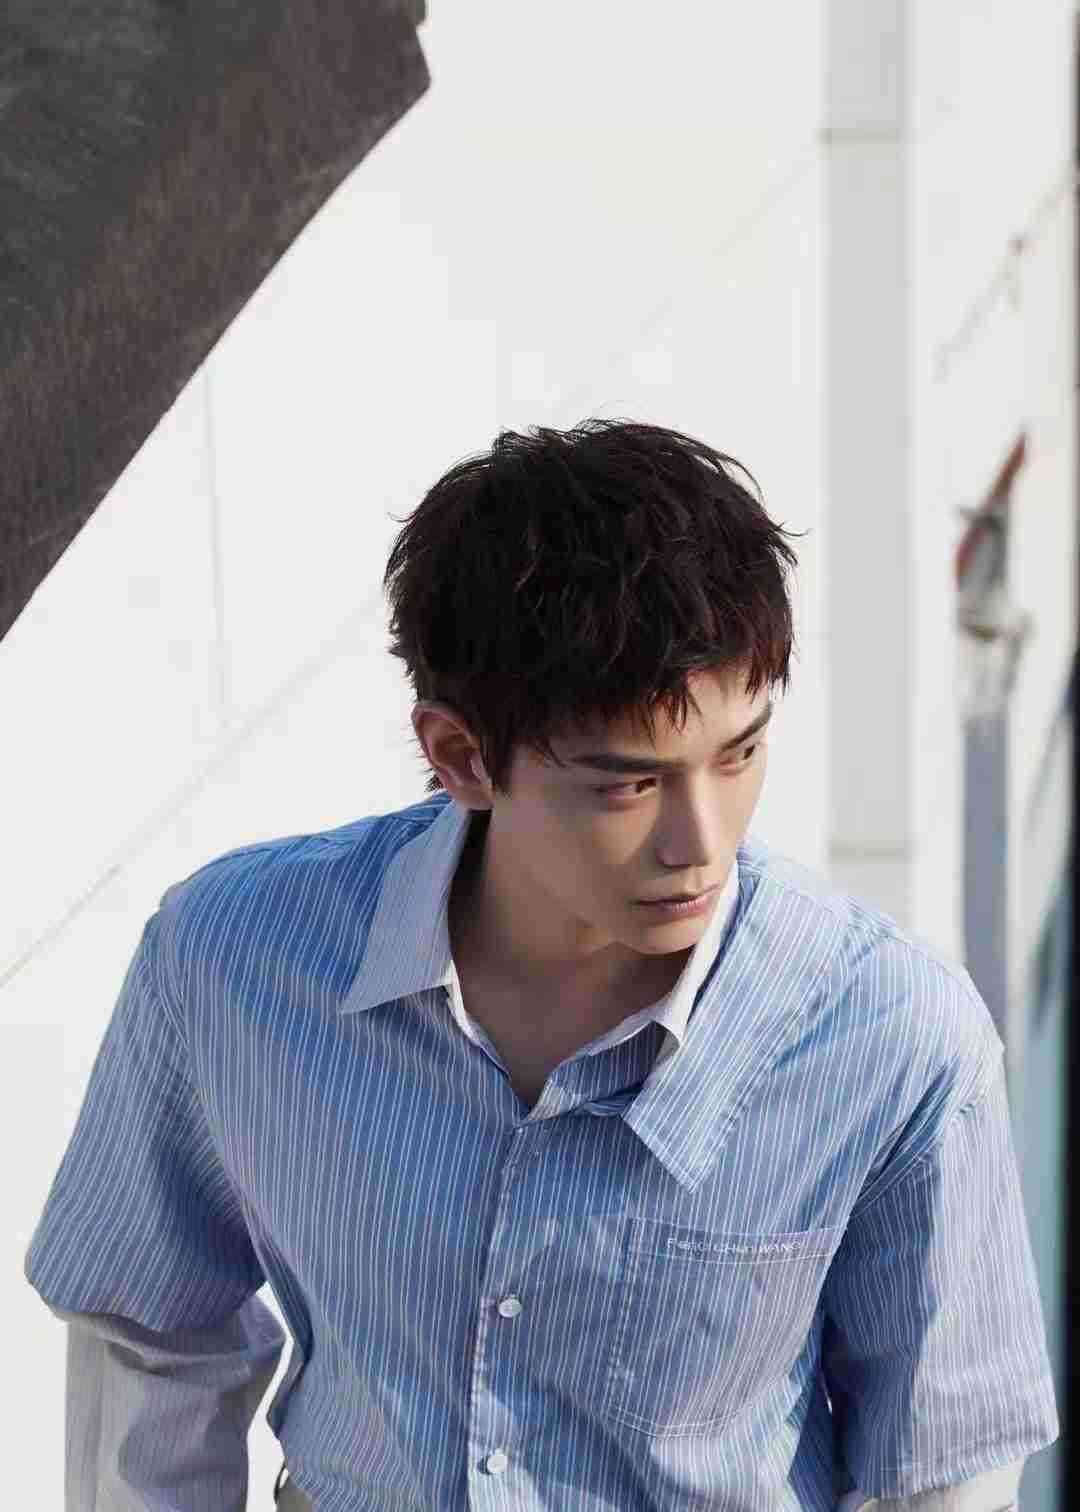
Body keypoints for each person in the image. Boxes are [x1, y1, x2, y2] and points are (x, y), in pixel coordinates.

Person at [25, 418, 1058, 1510]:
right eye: (627, 785)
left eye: (740, 752)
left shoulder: (894, 1037)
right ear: (461, 756)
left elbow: (944, 1477)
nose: (700, 841)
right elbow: (148, 1333)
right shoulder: (230, 964)